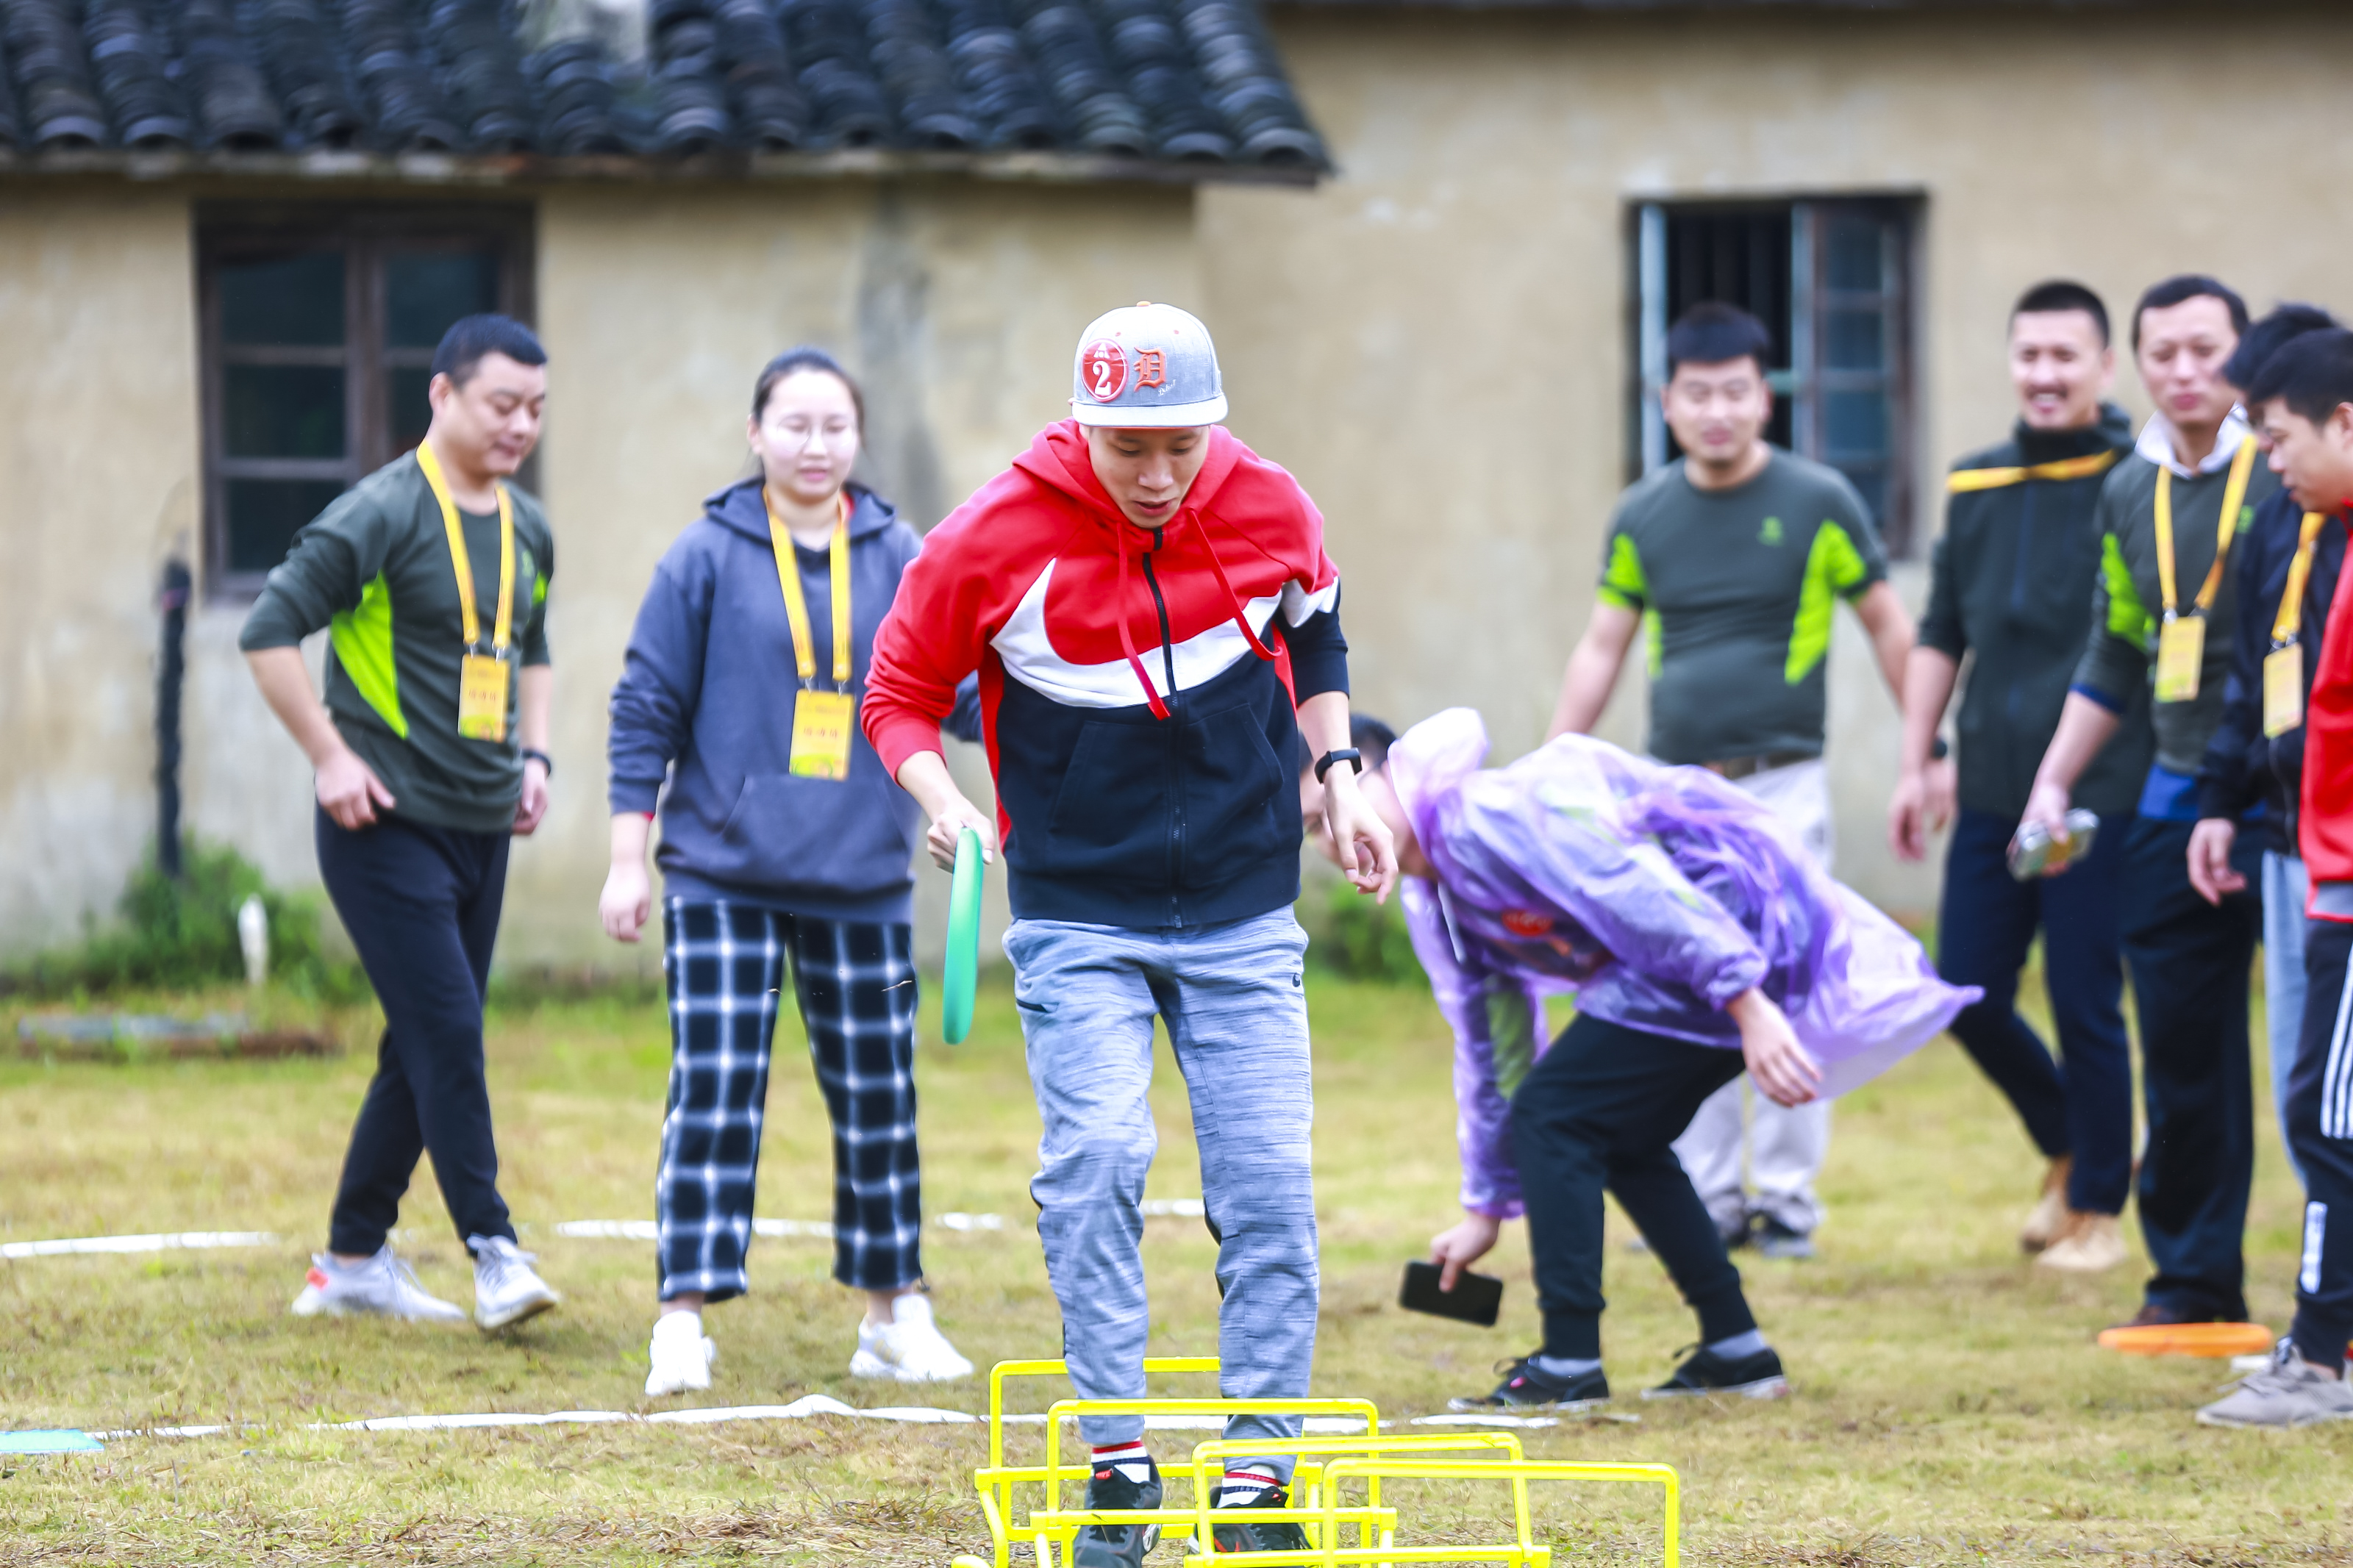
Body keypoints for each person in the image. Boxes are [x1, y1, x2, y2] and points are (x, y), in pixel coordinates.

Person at [860, 302, 1396, 1563]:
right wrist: (944, 803)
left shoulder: (1271, 502)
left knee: (1268, 1188)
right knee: (1096, 1162)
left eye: (1181, 448)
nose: (1158, 478)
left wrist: (1339, 769)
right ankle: (1118, 1460)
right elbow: (898, 694)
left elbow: (1315, 626)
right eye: (1129, 450)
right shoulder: (987, 537)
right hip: (1076, 906)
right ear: (1085, 426)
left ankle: (1259, 1475)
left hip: (1245, 899)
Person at [1314, 709, 1971, 1411]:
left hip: (1734, 932)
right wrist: (1487, 1204)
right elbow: (1493, 1047)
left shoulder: (1485, 818)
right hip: (1700, 967)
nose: (1333, 830)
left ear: (1387, 771)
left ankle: (1569, 1362)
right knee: (1617, 1131)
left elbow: (1637, 889)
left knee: (1556, 1112)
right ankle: (1735, 1349)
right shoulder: (1435, 895)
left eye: (1343, 796)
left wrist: (1747, 1001)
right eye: (1312, 821)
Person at [602, 348, 979, 1397]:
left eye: (835, 427)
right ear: (756, 435)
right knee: (715, 1092)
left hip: (860, 872)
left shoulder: (901, 549)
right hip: (723, 873)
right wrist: (628, 859)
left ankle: (893, 1312)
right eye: (795, 425)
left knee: (879, 1102)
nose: (816, 446)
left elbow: (960, 692)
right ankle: (681, 1318)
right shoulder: (706, 555)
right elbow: (645, 710)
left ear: (859, 439)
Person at [1546, 301, 1915, 1260]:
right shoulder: (1644, 513)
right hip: (1677, 797)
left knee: (1787, 984)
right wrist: (1556, 763)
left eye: (1737, 392)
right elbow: (1601, 646)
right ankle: (1706, 1195)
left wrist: (1926, 748)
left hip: (1786, 783)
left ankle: (1787, 1203)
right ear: (1667, 402)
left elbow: (1887, 626)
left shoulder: (1820, 499)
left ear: (1767, 397)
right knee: (1691, 984)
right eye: (1698, 393)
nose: (1718, 410)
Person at [239, 314, 562, 1330]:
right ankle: (494, 1248)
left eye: (537, 410)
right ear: (444, 395)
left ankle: (350, 1261)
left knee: (418, 1040)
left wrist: (536, 756)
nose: (521, 426)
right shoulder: (377, 513)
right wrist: (330, 757)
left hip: (480, 823)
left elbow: (534, 647)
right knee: (449, 1028)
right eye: (502, 404)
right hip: (383, 822)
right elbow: (267, 631)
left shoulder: (529, 527)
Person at [2023, 275, 2280, 1331]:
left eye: (2207, 351)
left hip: (2295, 790)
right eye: (2162, 353)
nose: (2185, 373)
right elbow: (2119, 642)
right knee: (2179, 1042)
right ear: (2136, 365)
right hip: (2176, 792)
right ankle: (2191, 1286)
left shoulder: (2290, 468)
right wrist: (2055, 774)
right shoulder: (2128, 489)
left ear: (2246, 357)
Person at [1889, 280, 2148, 1271]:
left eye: (2065, 357)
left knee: (2085, 995)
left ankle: (2099, 1209)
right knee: (1963, 992)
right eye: (2028, 355)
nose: (2045, 374)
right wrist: (1920, 762)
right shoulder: (1978, 482)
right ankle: (2072, 1144)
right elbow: (1942, 632)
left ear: (2102, 367)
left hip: (2099, 784)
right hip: (1994, 782)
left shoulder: (2133, 478)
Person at [2197, 327, 2353, 1427]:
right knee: (2320, 1105)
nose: (2271, 461)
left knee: (2332, 1118)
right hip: (2321, 870)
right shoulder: (2327, 534)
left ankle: (2320, 1355)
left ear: (2344, 421)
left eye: (2280, 435)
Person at [2188, 305, 2345, 1175]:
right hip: (2287, 839)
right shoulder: (2275, 525)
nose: (2262, 455)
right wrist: (2220, 800)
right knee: (2306, 1080)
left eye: (2272, 432)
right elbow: (2250, 677)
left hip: (2342, 847)